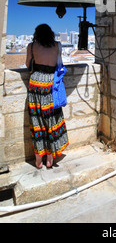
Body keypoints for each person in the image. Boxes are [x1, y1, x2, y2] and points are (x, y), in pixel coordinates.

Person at [26, 24, 69, 169]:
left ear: (36, 34)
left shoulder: (31, 46)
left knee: (36, 121)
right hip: (51, 85)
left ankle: (38, 161)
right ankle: (50, 160)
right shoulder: (57, 45)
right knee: (51, 120)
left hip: (35, 84)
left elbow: (27, 65)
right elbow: (59, 64)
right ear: (50, 33)